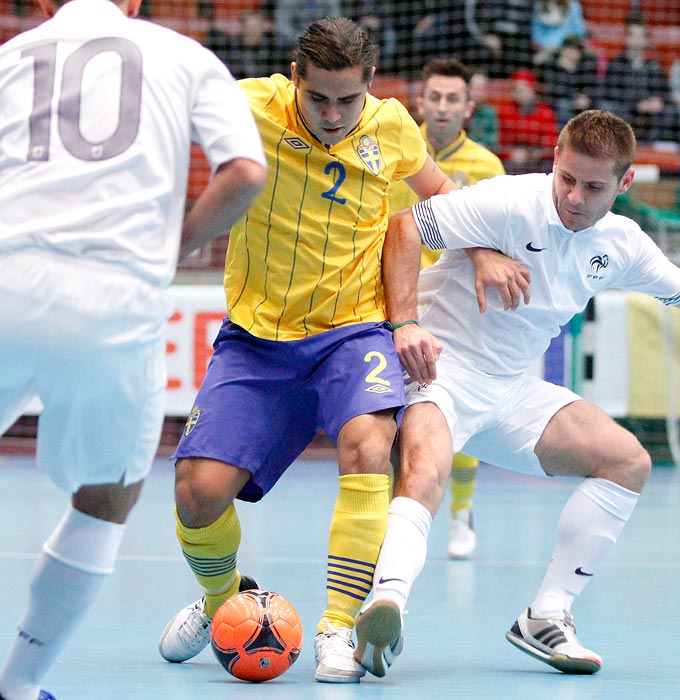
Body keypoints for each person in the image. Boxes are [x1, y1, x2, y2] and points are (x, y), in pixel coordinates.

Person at [350, 109, 680, 678]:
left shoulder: (622, 242)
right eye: (568, 179)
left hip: (508, 387)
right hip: (440, 370)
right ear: (555, 161)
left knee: (626, 460)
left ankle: (546, 615)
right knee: (427, 470)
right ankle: (384, 609)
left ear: (624, 183)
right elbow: (405, 229)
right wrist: (406, 324)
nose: (575, 197)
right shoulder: (509, 200)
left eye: (594, 186)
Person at [155, 17, 454, 685]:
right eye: (318, 98)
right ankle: (223, 604)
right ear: (295, 78)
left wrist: (487, 252)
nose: (332, 114)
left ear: (369, 88)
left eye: (347, 100)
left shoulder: (392, 127)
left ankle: (338, 627)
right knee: (196, 496)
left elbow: (442, 198)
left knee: (370, 447)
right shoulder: (250, 106)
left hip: (354, 333)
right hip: (257, 342)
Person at [0, 0, 267, 698]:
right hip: (112, 296)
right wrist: (171, 246)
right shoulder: (184, 56)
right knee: (104, 500)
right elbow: (245, 171)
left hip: (4, 277)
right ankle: (21, 685)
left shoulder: (10, 56)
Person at [387, 57, 506, 559]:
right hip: (398, 301)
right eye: (434, 97)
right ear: (420, 100)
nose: (441, 106)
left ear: (467, 107)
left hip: (458, 309)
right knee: (393, 419)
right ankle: (398, 518)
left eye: (452, 99)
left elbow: (497, 242)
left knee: (462, 417)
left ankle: (461, 513)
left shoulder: (487, 167)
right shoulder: (391, 148)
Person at [600, 16, 673, 142]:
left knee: (668, 112)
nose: (637, 39)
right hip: (626, 109)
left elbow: (665, 92)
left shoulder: (654, 65)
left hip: (650, 113)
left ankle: (654, 148)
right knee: (611, 109)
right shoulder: (617, 64)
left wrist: (658, 101)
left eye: (640, 36)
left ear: (646, 39)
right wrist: (637, 105)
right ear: (627, 38)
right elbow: (610, 93)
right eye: (633, 35)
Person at [497, 69, 559, 174]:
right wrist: (510, 154)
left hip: (538, 163)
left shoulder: (545, 113)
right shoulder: (505, 112)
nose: (520, 94)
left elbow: (551, 145)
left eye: (524, 89)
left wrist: (535, 155)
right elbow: (498, 144)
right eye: (516, 90)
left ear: (533, 90)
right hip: (512, 162)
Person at [537, 35, 600, 128]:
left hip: (582, 103)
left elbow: (594, 87)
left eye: (575, 50)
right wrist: (567, 71)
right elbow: (553, 91)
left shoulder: (586, 65)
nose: (571, 53)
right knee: (563, 105)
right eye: (568, 49)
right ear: (562, 50)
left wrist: (587, 99)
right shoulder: (551, 65)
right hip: (558, 104)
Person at [205, 8, 286, 80]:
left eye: (256, 27)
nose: (253, 32)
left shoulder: (273, 51)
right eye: (250, 27)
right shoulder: (232, 51)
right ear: (242, 28)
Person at [531, 0, 587, 66]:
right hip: (543, 51)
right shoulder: (538, 5)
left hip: (566, 49)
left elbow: (579, 32)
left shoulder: (573, 5)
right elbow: (535, 33)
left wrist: (568, 49)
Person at [466, 71, 500, 152]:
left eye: (482, 88)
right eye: (475, 88)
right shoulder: (461, 109)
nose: (478, 92)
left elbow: (494, 138)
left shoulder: (490, 112)